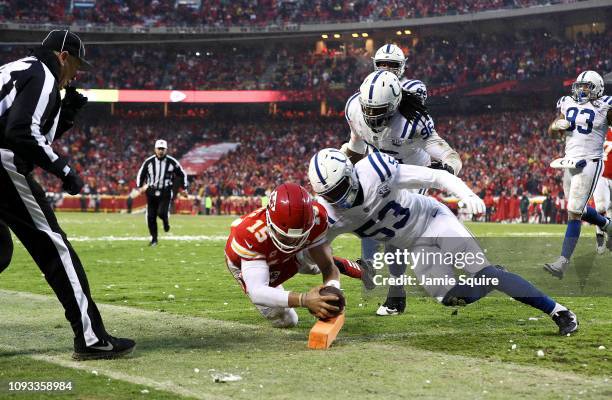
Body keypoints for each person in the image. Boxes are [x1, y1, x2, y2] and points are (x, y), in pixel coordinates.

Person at [308, 149, 579, 335]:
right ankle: (495, 276)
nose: (339, 198)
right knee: (453, 298)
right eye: (330, 194)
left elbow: (437, 177)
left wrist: (467, 193)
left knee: (481, 272)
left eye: (341, 188)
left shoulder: (374, 170)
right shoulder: (330, 214)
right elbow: (317, 257)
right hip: (415, 246)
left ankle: (558, 311)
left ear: (351, 174)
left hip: (434, 219)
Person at [0, 29, 135, 359]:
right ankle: (90, 337)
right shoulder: (43, 75)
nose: (75, 73)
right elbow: (19, 133)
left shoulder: (16, 68)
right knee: (54, 247)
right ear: (62, 56)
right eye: (75, 65)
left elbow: (16, 125)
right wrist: (64, 170)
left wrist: (62, 121)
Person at [342, 69, 462, 316]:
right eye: (369, 109)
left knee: (394, 232)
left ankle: (396, 293)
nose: (372, 116)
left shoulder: (413, 121)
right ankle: (371, 266)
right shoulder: (354, 108)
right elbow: (355, 144)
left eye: (379, 110)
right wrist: (345, 168)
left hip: (411, 173)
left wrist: (448, 168)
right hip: (378, 168)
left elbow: (448, 154)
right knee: (365, 213)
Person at [224, 183, 375, 327]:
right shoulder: (249, 235)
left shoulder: (317, 217)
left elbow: (328, 267)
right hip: (255, 260)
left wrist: (332, 290)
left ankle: (362, 271)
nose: (292, 242)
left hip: (288, 249)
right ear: (270, 222)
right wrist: (304, 299)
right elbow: (257, 291)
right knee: (288, 320)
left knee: (317, 263)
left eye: (299, 237)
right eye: (285, 237)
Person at [544, 71, 612, 278]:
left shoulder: (606, 105)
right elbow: (552, 133)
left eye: (587, 87)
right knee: (577, 210)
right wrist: (556, 126)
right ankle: (607, 225)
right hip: (569, 162)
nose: (581, 90)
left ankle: (562, 262)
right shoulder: (566, 102)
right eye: (579, 86)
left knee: (574, 211)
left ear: (597, 88)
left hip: (591, 161)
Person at [136, 139, 188, 246]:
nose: (160, 151)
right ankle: (154, 239)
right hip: (151, 192)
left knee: (161, 213)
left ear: (166, 150)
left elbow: (181, 174)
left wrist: (184, 188)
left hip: (165, 191)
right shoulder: (149, 162)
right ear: (155, 149)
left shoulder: (172, 162)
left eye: (163, 149)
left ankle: (165, 222)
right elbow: (141, 173)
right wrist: (139, 186)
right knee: (151, 216)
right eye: (159, 149)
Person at [592, 127, 612, 253]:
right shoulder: (600, 130)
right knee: (601, 207)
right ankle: (599, 235)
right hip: (601, 175)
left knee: (611, 209)